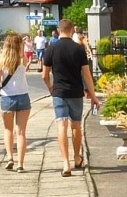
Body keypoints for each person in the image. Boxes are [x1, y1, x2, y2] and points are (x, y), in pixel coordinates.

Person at [41, 18, 100, 177]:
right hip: (76, 93)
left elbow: (45, 75)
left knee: (61, 125)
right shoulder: (78, 49)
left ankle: (65, 163)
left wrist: (51, 88)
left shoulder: (51, 49)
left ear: (58, 30)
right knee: (76, 125)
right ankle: (76, 157)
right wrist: (93, 95)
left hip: (59, 92)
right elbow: (87, 74)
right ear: (72, 30)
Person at [0, 33, 32, 172]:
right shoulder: (23, 59)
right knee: (21, 132)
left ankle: (10, 157)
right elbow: (24, 66)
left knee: (8, 130)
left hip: (7, 98)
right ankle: (20, 164)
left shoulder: (1, 60)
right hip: (23, 97)